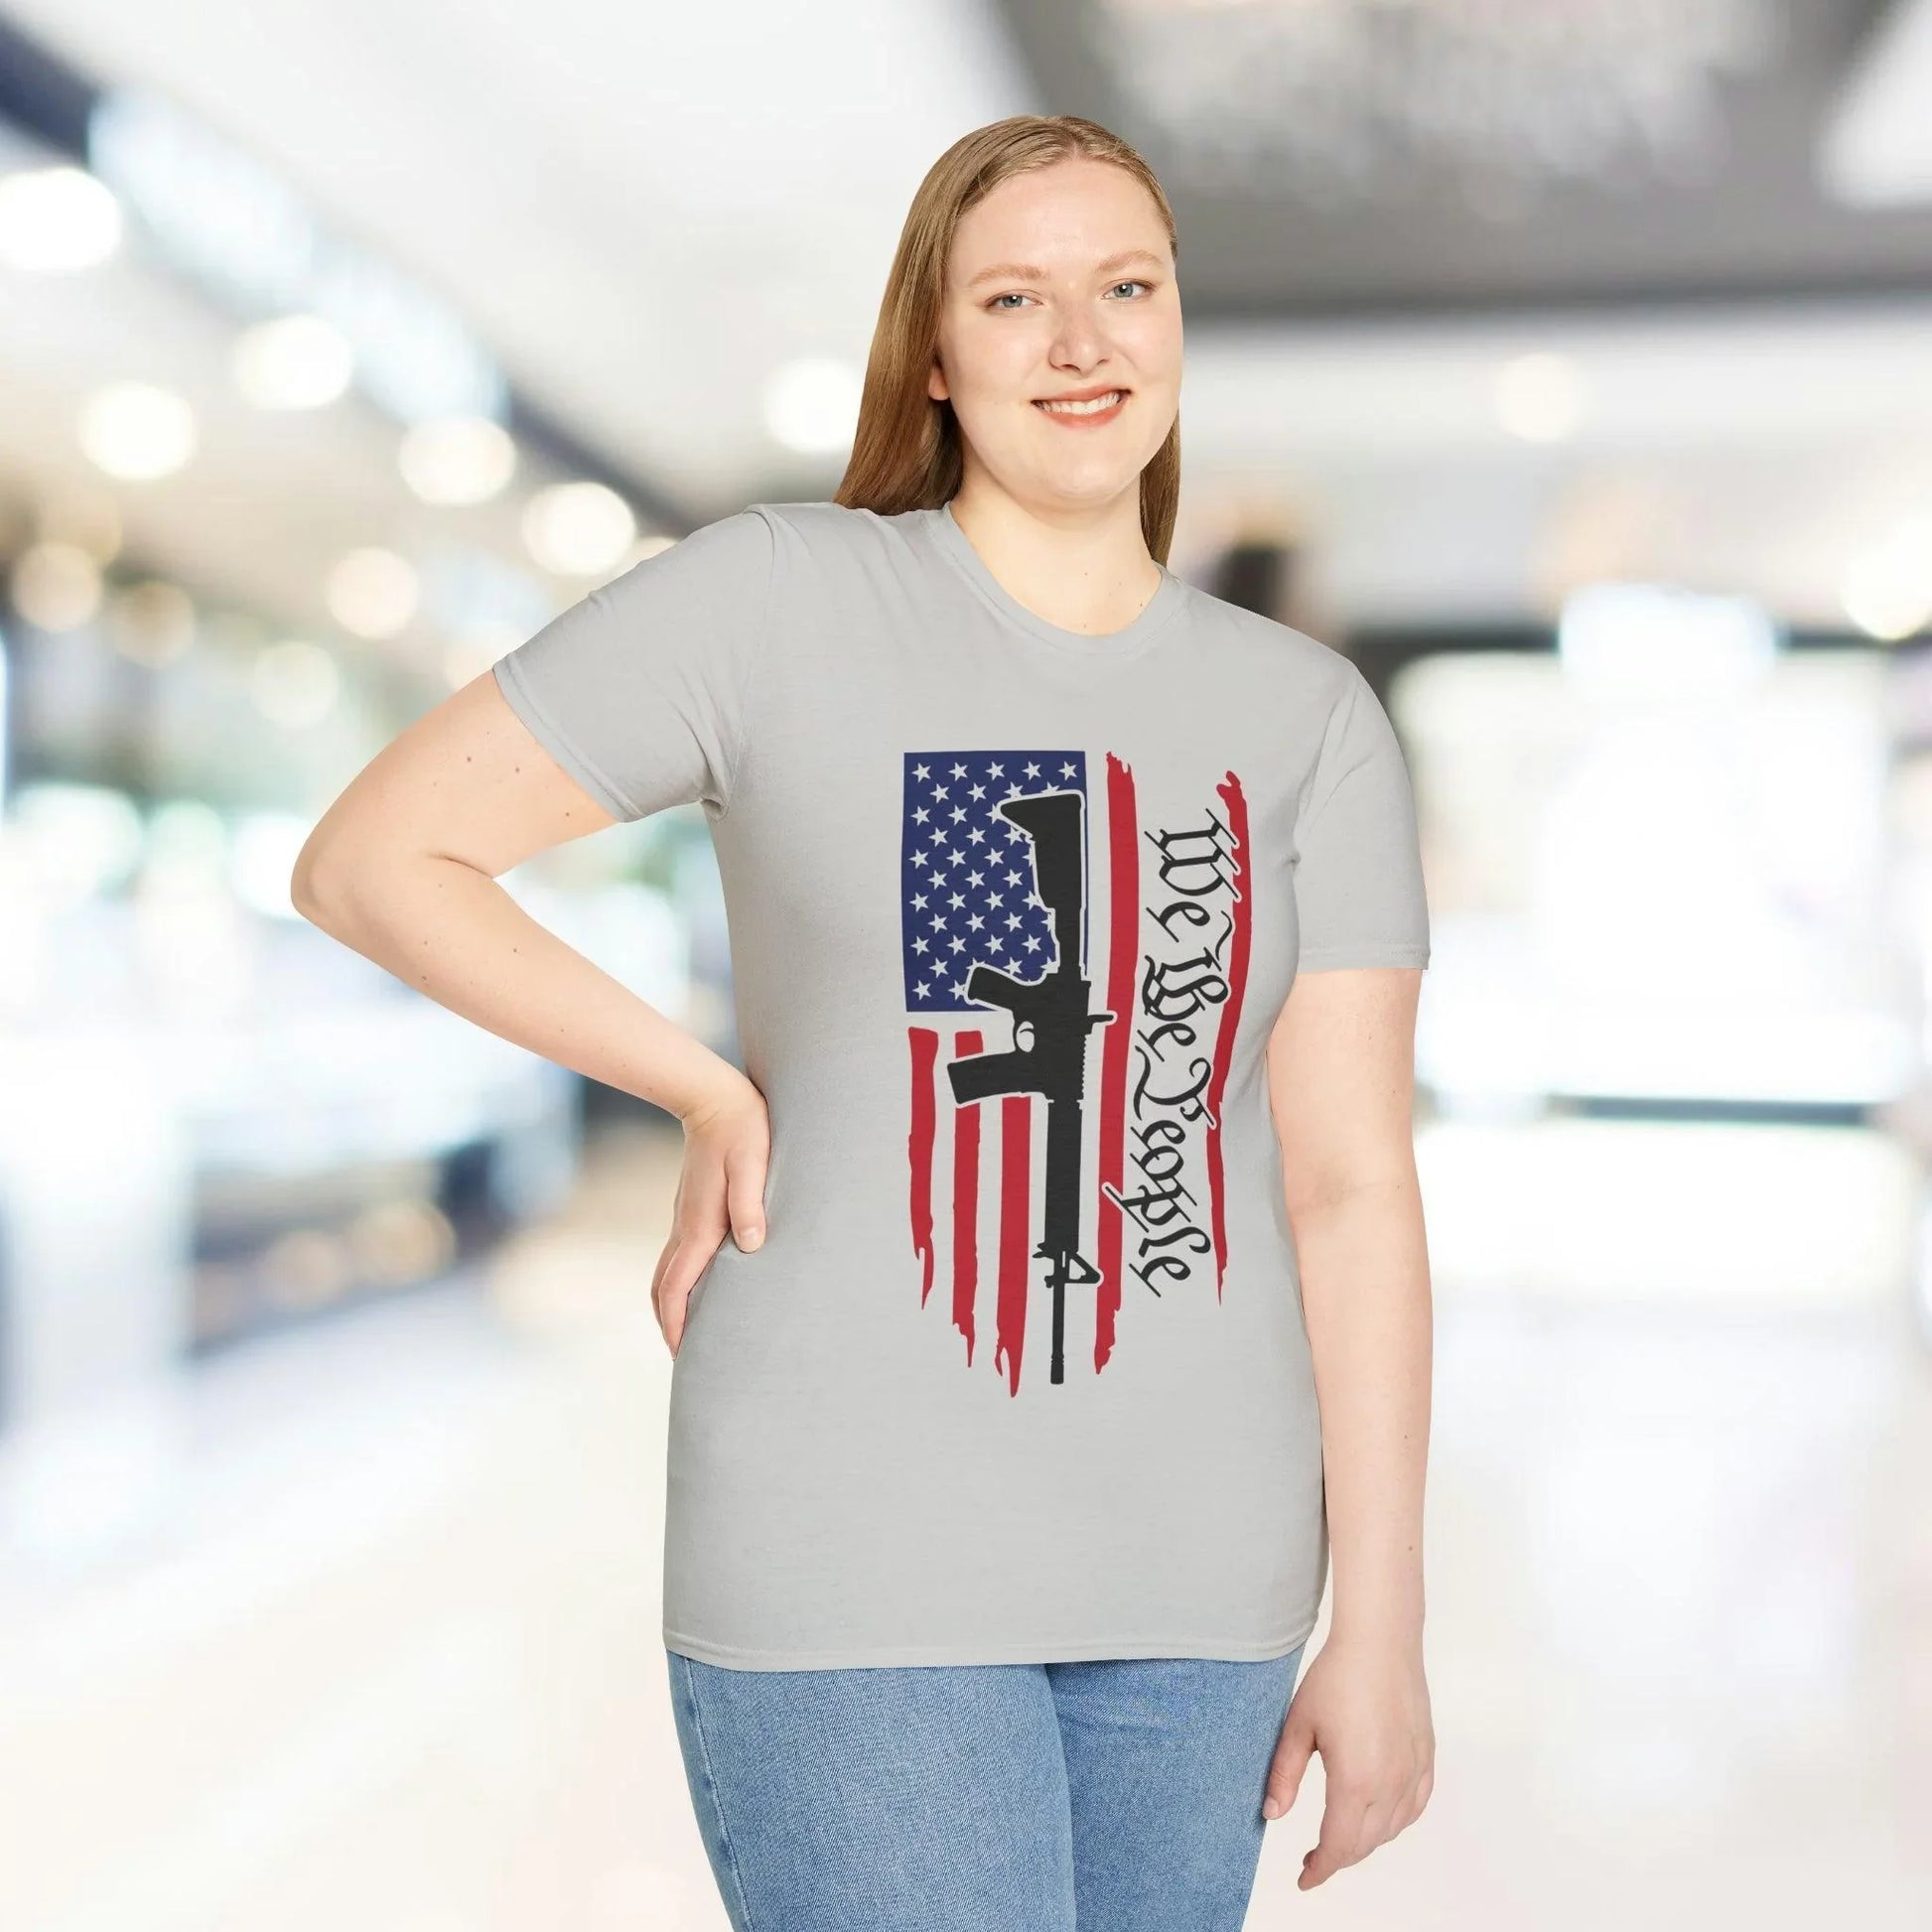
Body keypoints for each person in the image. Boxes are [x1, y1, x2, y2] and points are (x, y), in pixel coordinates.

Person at [293, 112, 1435, 1930]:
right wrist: (698, 1086)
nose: (1081, 342)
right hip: (847, 1558)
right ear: (936, 352)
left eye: (1125, 286)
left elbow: (1350, 1190)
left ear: (1174, 325)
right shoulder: (776, 600)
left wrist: (1380, 1622)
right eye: (1015, 296)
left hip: (1203, 1579)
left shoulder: (1302, 717)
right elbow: (377, 855)